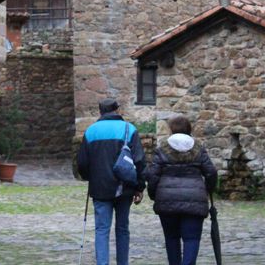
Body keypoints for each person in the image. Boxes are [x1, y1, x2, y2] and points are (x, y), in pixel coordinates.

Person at [77, 99, 146, 265]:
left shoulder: (91, 131)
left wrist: (90, 177)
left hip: (100, 187)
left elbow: (82, 163)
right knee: (122, 229)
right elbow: (139, 161)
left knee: (102, 229)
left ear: (100, 111)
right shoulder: (129, 130)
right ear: (117, 110)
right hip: (125, 187)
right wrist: (139, 187)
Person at [146, 115, 218, 265]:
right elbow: (211, 172)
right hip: (194, 200)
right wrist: (207, 190)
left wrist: (154, 195)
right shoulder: (199, 149)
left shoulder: (162, 149)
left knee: (171, 238)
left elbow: (152, 175)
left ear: (172, 129)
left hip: (167, 200)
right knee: (191, 238)